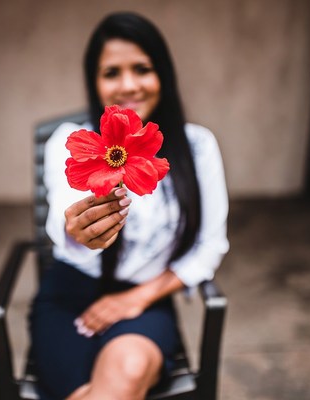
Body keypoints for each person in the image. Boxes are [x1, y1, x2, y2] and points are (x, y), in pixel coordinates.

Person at [30, 11, 229, 400]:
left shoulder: (197, 146)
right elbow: (63, 217)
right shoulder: (70, 139)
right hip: (70, 296)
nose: (128, 86)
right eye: (111, 73)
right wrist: (77, 228)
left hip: (145, 299)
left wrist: (135, 298)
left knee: (126, 373)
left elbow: (210, 246)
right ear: (94, 82)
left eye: (142, 68)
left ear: (163, 76)